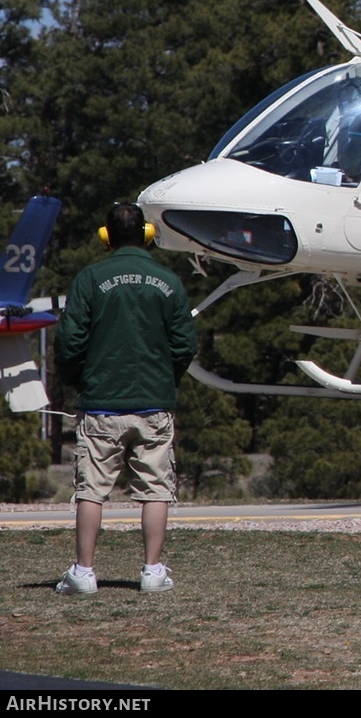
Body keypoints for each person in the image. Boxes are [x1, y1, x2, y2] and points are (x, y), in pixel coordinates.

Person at [52, 203, 195, 595]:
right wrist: (167, 378)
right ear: (147, 235)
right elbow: (185, 343)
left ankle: (83, 572)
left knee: (91, 489)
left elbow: (69, 342)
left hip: (101, 401)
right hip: (153, 401)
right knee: (155, 488)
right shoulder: (168, 280)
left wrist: (78, 380)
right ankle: (152, 571)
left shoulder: (90, 278)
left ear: (107, 236)